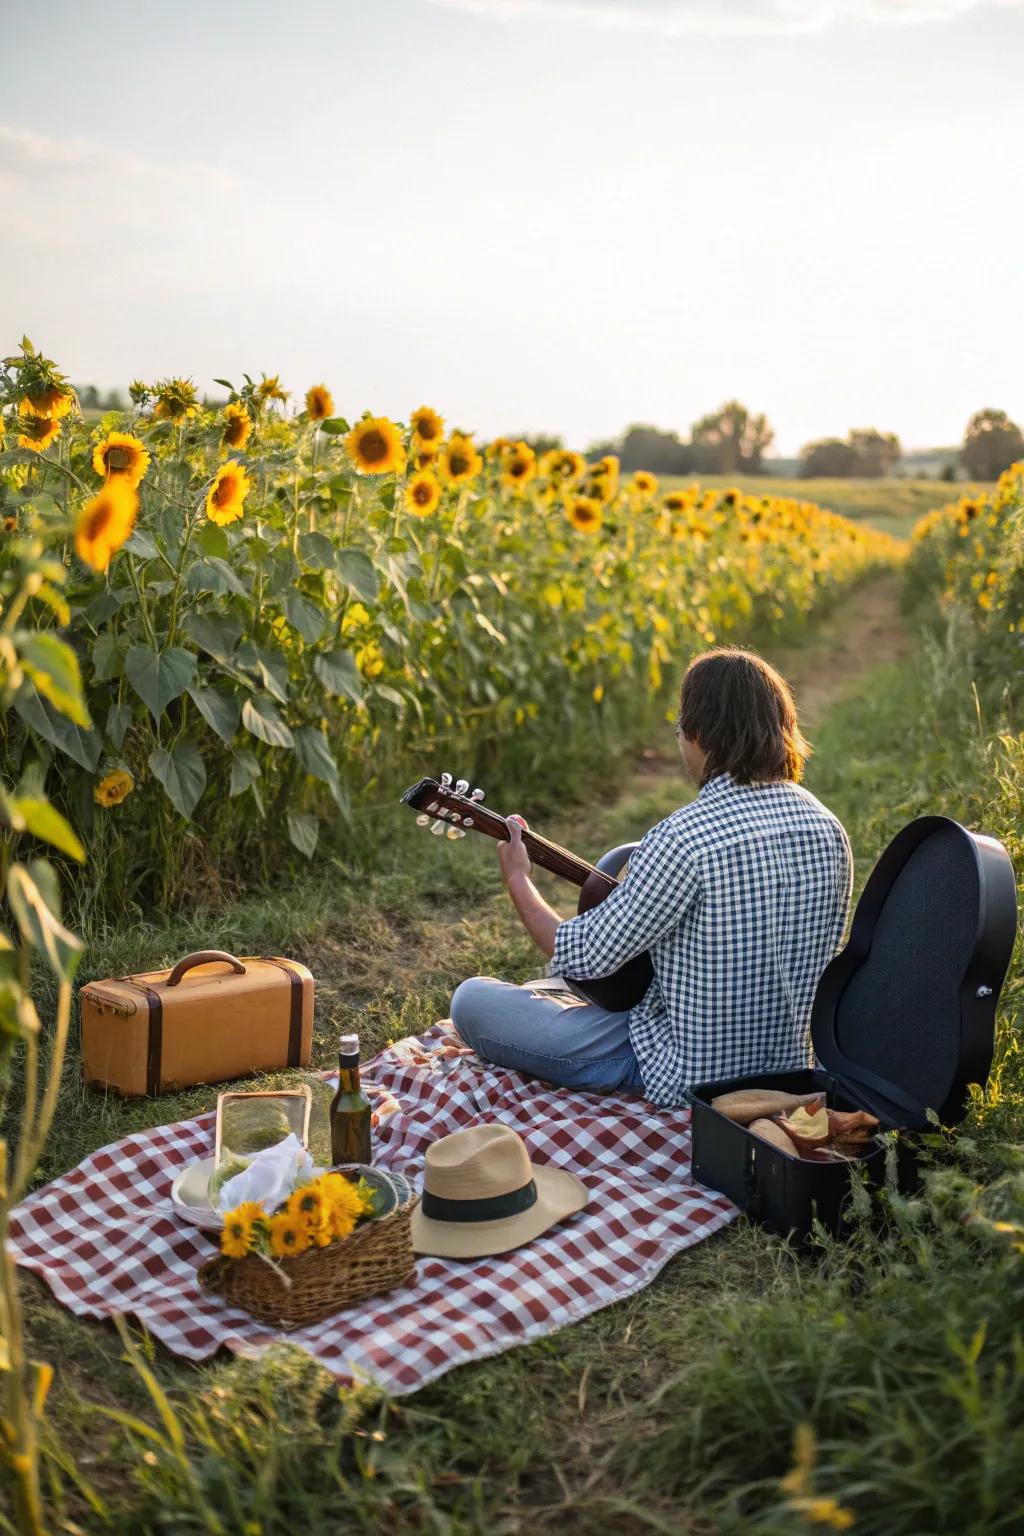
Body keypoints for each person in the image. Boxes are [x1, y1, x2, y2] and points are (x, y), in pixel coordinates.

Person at [449, 647, 853, 1107]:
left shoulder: (683, 837)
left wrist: (518, 879)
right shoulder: (827, 826)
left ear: (699, 733)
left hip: (689, 1077)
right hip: (795, 1068)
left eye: (681, 726)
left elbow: (580, 956)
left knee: (472, 1000)